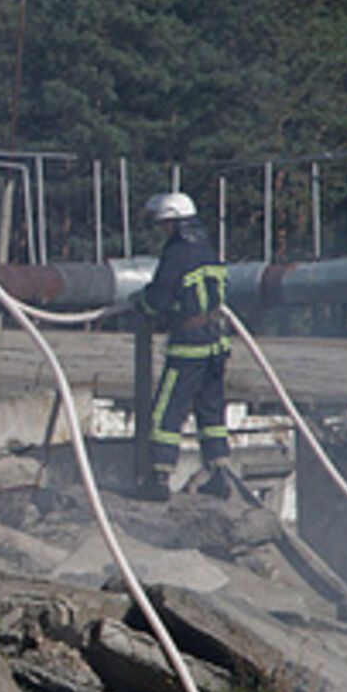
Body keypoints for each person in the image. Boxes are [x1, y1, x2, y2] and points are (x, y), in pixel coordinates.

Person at [134, 191, 232, 502]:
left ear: (175, 223)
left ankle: (159, 477)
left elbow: (159, 297)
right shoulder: (206, 248)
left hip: (189, 345)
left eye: (165, 224)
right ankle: (218, 473)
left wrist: (143, 306)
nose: (163, 230)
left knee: (167, 410)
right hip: (216, 343)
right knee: (211, 408)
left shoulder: (177, 252)